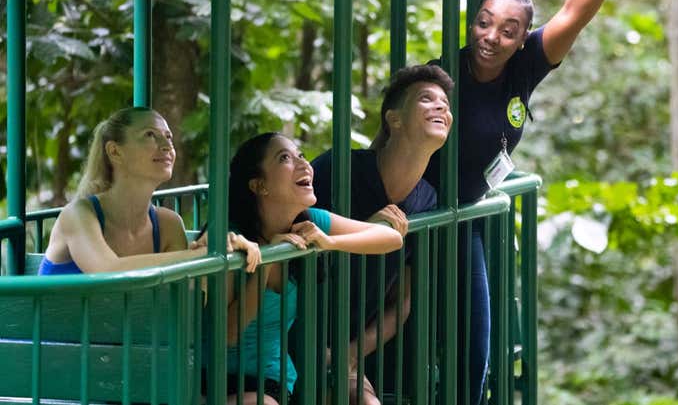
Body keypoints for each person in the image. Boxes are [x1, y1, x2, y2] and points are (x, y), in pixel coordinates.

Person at [424, 0, 650, 404]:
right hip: (423, 215)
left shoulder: (526, 66)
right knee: (412, 343)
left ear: (524, 36)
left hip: (465, 219)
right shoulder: (443, 76)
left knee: (475, 354)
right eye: (484, 22)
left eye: (508, 29)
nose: (491, 37)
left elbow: (575, 11)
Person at [215, 132, 403, 405]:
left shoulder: (308, 221)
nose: (304, 165)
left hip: (271, 382)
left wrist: (329, 242)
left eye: (301, 155)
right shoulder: (234, 240)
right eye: (285, 158)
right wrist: (269, 259)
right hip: (215, 379)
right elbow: (229, 336)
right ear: (259, 185)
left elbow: (392, 239)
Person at [312, 64, 454, 404]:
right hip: (294, 334)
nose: (440, 108)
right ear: (395, 119)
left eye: (445, 104)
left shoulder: (427, 199)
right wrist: (365, 231)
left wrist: (352, 352)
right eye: (426, 99)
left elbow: (404, 301)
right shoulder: (339, 170)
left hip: (346, 349)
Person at [39, 107, 260, 275]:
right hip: (47, 337)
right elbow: (107, 271)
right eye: (150, 135)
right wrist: (206, 253)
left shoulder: (168, 224)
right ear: (115, 152)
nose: (166, 145)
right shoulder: (78, 214)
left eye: (169, 136)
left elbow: (188, 299)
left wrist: (222, 243)